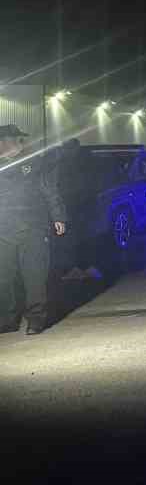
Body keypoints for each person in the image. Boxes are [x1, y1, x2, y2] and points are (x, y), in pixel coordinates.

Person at [0, 124, 68, 334]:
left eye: (12, 140)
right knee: (4, 277)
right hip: (4, 230)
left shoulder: (35, 162)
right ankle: (8, 320)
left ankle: (36, 319)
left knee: (34, 276)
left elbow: (49, 189)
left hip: (33, 227)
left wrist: (58, 216)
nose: (5, 145)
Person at [53, 138, 100, 279]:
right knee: (79, 238)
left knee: (72, 239)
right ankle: (81, 267)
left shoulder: (66, 164)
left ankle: (76, 269)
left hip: (73, 206)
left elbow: (62, 187)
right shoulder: (83, 162)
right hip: (79, 206)